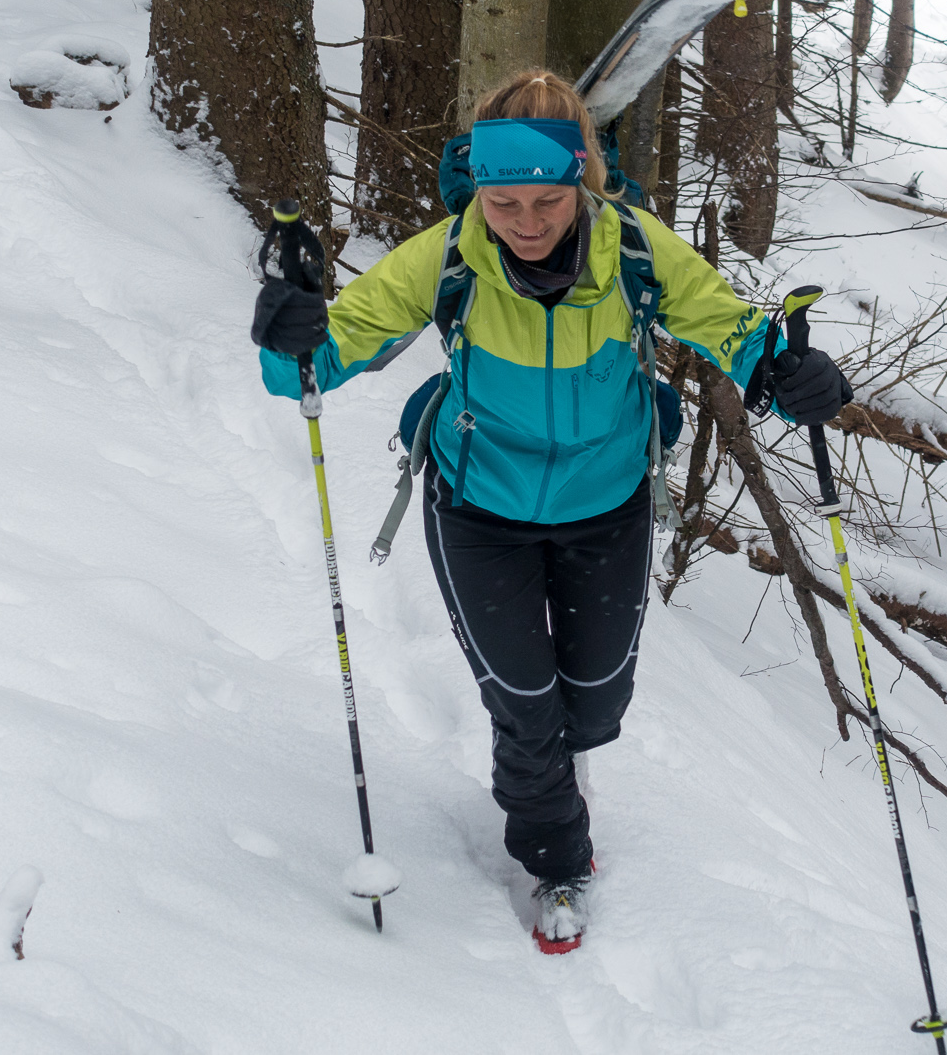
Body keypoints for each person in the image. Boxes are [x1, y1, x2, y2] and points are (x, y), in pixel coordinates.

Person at [252, 69, 853, 951]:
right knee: (524, 701)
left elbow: (729, 328)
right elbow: (312, 363)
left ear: (583, 183)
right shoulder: (448, 254)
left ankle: (560, 765)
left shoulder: (635, 251)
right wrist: (290, 330)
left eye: (547, 201)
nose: (526, 224)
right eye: (504, 203)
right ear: (480, 192)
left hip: (604, 504)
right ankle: (555, 858)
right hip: (478, 504)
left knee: (597, 704)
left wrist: (785, 373)